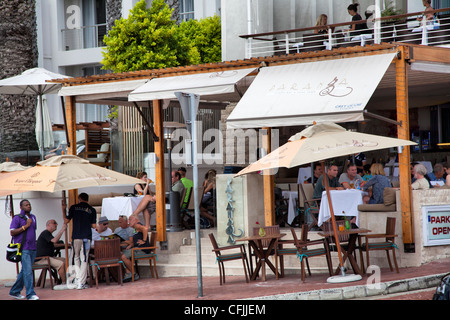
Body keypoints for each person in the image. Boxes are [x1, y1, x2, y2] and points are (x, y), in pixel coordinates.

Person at [64, 192, 97, 290]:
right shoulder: (92, 209)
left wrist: (63, 209)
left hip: (76, 237)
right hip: (86, 238)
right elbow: (94, 226)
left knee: (76, 258)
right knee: (84, 259)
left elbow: (66, 221)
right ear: (87, 199)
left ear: (79, 199)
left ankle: (78, 279)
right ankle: (81, 282)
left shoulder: (73, 207)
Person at [9, 199, 39, 300]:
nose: (28, 206)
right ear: (21, 207)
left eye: (29, 204)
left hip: (33, 247)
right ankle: (30, 294)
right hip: (24, 248)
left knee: (24, 271)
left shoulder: (33, 217)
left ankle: (14, 291)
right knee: (28, 271)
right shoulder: (17, 218)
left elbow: (33, 231)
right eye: (26, 205)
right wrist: (25, 226)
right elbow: (12, 232)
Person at [121, 215, 150, 282]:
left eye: (130, 219)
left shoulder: (137, 225)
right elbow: (136, 239)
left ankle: (134, 274)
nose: (129, 221)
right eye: (129, 220)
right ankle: (129, 274)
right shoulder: (134, 228)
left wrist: (144, 240)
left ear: (136, 220)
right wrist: (131, 244)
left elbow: (145, 229)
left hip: (142, 250)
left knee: (123, 256)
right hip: (137, 249)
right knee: (125, 254)